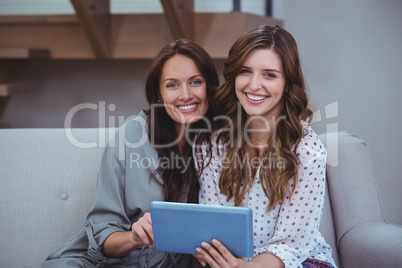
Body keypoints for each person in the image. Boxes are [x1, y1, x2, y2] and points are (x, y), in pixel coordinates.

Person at [42, 39, 219, 267]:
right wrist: (133, 237)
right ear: (158, 93)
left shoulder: (222, 143)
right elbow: (104, 237)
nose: (185, 95)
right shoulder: (132, 136)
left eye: (195, 82)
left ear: (210, 86)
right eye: (172, 85)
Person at [193, 25, 337, 268]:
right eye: (245, 71)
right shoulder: (211, 144)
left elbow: (291, 244)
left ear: (287, 84)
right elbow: (214, 225)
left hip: (299, 262)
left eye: (269, 75)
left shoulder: (307, 149)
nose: (254, 85)